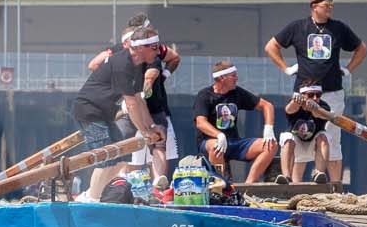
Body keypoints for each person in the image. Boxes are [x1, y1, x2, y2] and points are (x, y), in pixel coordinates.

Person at [264, 0, 366, 185]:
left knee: (332, 139)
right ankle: (295, 186)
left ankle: (335, 186)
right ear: (314, 7)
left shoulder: (339, 28)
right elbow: (271, 46)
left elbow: (362, 49)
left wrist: (348, 69)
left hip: (332, 92)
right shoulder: (298, 27)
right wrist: (286, 68)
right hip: (304, 93)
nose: (329, 9)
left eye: (331, 6)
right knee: (300, 135)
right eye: (326, 6)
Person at [70, 15, 166, 202]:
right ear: (139, 48)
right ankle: (91, 199)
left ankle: (93, 196)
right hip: (88, 111)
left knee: (120, 157)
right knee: (105, 158)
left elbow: (139, 100)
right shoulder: (123, 64)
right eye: (153, 47)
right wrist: (145, 132)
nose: (158, 51)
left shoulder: (139, 65)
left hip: (103, 113)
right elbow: (130, 104)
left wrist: (151, 127)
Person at [87, 19, 182, 182]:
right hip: (129, 108)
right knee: (120, 147)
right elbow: (94, 65)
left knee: (156, 142)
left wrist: (161, 77)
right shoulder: (118, 54)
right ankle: (112, 186)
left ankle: (157, 181)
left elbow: (154, 73)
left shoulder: (153, 51)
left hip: (151, 106)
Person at [193, 60, 278, 183]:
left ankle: (249, 184)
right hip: (209, 142)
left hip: (234, 142)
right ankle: (220, 186)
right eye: (233, 76)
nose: (236, 78)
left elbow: (267, 106)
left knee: (271, 145)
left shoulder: (237, 93)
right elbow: (200, 122)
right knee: (216, 146)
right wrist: (219, 135)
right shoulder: (205, 95)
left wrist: (268, 129)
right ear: (222, 78)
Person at [278, 84, 332, 183]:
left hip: (313, 147)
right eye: (311, 95)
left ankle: (319, 174)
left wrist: (315, 109)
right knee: (288, 138)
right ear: (303, 95)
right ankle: (286, 176)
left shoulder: (323, 106)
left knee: (323, 137)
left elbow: (324, 115)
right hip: (296, 146)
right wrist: (296, 102)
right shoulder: (295, 104)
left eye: (318, 95)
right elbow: (289, 110)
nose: (315, 98)